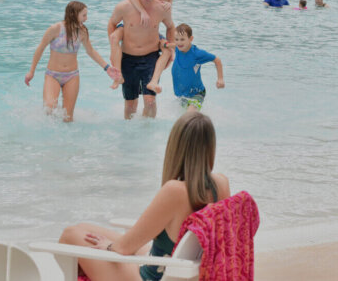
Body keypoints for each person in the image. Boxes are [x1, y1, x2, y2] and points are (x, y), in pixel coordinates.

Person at [59, 110, 230, 280]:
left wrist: (109, 247)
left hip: (149, 277)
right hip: (171, 265)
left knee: (70, 234)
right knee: (83, 228)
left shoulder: (175, 191)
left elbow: (125, 248)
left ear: (176, 147)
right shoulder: (221, 184)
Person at [25, 1, 111, 122]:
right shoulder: (55, 29)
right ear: (73, 14)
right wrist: (31, 71)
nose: (86, 19)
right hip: (53, 75)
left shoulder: (82, 32)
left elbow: (91, 51)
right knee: (49, 109)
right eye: (84, 15)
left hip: (72, 76)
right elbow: (40, 49)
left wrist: (107, 67)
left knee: (68, 118)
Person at [107, 0, 176, 119]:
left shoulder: (162, 9)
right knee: (130, 105)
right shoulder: (124, 6)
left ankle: (148, 130)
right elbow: (112, 23)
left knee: (150, 102)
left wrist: (171, 48)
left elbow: (170, 27)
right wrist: (113, 49)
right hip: (127, 59)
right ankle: (130, 132)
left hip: (150, 58)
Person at [168, 24, 224, 110]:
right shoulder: (178, 49)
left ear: (191, 39)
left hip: (197, 93)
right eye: (176, 39)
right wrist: (165, 45)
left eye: (182, 39)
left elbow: (217, 60)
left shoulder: (197, 54)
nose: (179, 42)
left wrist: (220, 79)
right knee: (183, 113)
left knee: (190, 112)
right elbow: (172, 45)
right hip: (182, 94)